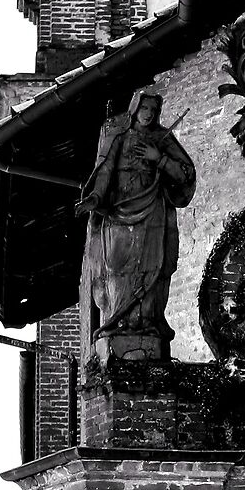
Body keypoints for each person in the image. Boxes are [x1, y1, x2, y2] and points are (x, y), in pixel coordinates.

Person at [78, 88, 197, 353]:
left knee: (150, 267)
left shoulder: (161, 139)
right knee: (117, 265)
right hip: (119, 211)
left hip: (152, 211)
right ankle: (117, 322)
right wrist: (95, 198)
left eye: (153, 111)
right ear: (135, 110)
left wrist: (160, 159)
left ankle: (146, 323)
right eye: (144, 109)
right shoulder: (119, 138)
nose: (148, 115)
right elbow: (106, 169)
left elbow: (185, 175)